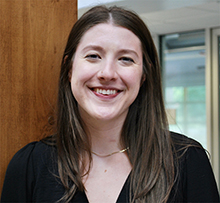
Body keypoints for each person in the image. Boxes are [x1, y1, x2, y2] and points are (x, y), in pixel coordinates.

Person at [1, 5, 219, 203]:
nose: (107, 73)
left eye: (126, 59)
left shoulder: (187, 162)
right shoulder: (29, 165)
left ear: (143, 76)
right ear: (69, 69)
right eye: (94, 56)